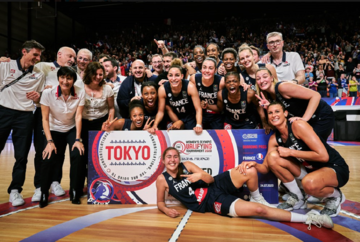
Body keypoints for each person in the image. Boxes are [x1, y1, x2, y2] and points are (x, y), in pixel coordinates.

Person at [157, 147, 334, 230]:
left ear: (178, 159)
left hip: (215, 184)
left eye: (175, 157)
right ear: (163, 161)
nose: (172, 160)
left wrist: (199, 176)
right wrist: (165, 210)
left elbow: (210, 179)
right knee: (258, 210)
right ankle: (309, 219)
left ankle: (257, 196)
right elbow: (160, 202)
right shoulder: (162, 180)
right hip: (211, 202)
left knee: (248, 169)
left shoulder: (186, 165)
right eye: (169, 157)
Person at [238, 102, 349, 217]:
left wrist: (290, 151)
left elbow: (323, 156)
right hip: (310, 170)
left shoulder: (297, 125)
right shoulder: (274, 139)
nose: (273, 115)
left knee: (309, 184)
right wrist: (254, 164)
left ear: (285, 113)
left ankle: (335, 196)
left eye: (277, 111)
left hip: (334, 167)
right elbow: (266, 167)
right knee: (273, 157)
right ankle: (298, 197)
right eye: (270, 113)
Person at [0, 40, 45, 207]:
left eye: (39, 56)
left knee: (21, 156)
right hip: (3, 111)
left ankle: (15, 191)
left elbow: (40, 99)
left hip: (25, 116)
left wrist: (38, 98)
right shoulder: (5, 65)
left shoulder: (39, 75)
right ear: (24, 52)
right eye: (35, 54)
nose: (37, 58)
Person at [40, 66, 85, 208]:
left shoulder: (80, 92)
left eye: (69, 78)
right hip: (54, 129)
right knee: (48, 156)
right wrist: (49, 141)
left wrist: (78, 140)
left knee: (78, 154)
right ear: (58, 78)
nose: (65, 81)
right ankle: (43, 192)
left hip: (71, 128)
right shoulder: (48, 93)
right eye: (62, 77)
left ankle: (75, 192)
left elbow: (78, 116)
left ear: (73, 80)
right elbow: (45, 119)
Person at [255, 67, 334, 141]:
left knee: (316, 148)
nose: (261, 80)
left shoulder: (282, 87)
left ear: (272, 78)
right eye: (258, 79)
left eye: (265, 77)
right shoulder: (268, 99)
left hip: (321, 115)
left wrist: (304, 119)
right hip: (306, 121)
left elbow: (316, 95)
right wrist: (269, 108)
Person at [82, 62, 115, 182]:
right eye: (95, 74)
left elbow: (111, 108)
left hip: (101, 123)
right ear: (89, 74)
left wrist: (109, 123)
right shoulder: (80, 86)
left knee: (97, 154)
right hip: (83, 123)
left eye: (101, 74)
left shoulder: (107, 89)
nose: (98, 77)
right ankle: (84, 181)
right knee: (83, 154)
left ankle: (97, 180)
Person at [148, 65, 203, 135]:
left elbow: (198, 109)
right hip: (174, 118)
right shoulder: (162, 89)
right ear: (167, 76)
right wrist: (155, 125)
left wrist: (198, 125)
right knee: (167, 107)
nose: (173, 78)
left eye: (177, 75)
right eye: (171, 75)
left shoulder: (190, 86)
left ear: (182, 76)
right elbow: (160, 111)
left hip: (189, 117)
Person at [190, 58, 225, 129]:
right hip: (198, 113)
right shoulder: (194, 78)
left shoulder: (221, 81)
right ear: (201, 69)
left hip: (216, 115)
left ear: (215, 70)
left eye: (210, 68)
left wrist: (207, 105)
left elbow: (221, 109)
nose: (207, 71)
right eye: (204, 67)